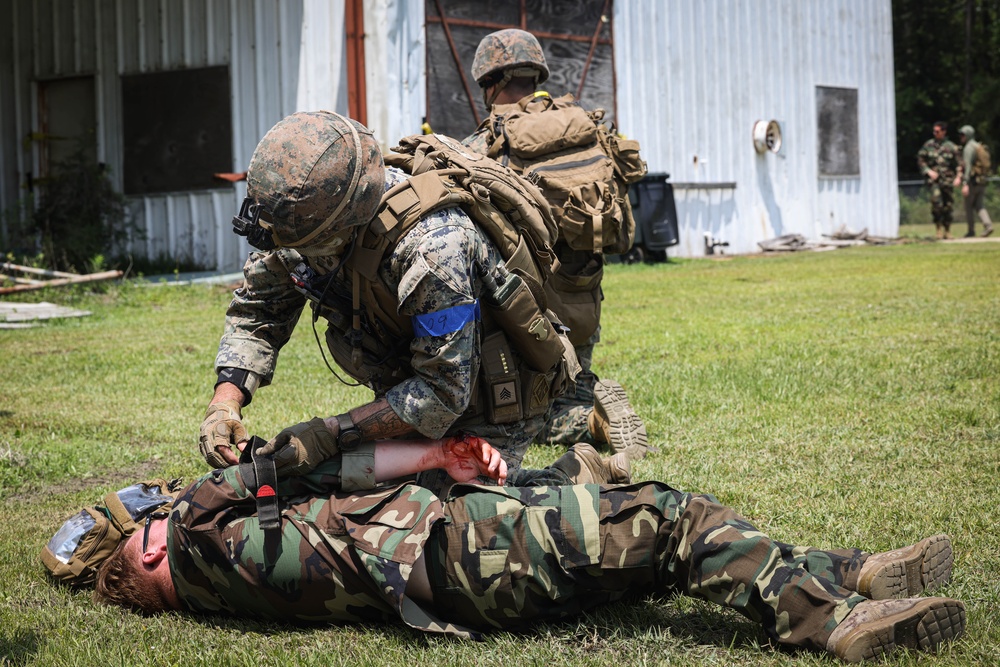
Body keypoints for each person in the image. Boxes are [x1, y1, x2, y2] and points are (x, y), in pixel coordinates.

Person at [89, 435, 965, 663]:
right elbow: (317, 456)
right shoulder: (203, 523)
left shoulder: (222, 589)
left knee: (628, 529)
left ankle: (854, 569)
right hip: (463, 548)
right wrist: (433, 450)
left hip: (462, 581)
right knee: (666, 518)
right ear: (156, 553)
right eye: (146, 530)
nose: (157, 511)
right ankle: (835, 621)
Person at [199, 110, 632, 496]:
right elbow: (259, 312)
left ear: (343, 225)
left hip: (494, 394)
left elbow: (443, 392)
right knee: (332, 482)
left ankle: (578, 473)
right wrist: (225, 403)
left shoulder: (433, 246)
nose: (285, 251)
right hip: (411, 386)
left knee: (447, 516)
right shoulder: (300, 221)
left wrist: (331, 433)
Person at [463, 29, 648, 458]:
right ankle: (593, 399)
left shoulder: (492, 139)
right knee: (574, 380)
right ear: (536, 73)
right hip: (585, 291)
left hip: (531, 306)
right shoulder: (578, 123)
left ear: (490, 81)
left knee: (528, 412)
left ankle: (594, 423)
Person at [917, 121, 963, 240]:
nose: (935, 133)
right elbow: (921, 160)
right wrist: (928, 171)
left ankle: (947, 230)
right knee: (937, 203)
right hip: (935, 182)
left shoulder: (951, 146)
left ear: (944, 132)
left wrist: (958, 177)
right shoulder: (929, 145)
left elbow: (959, 164)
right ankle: (938, 229)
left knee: (948, 206)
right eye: (934, 131)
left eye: (937, 131)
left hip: (947, 180)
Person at [957, 124, 994, 238]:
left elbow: (967, 167)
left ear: (967, 135)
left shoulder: (968, 148)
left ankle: (971, 230)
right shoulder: (978, 146)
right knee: (979, 205)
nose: (961, 137)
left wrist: (965, 183)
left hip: (972, 181)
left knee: (968, 206)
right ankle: (988, 225)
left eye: (962, 134)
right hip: (982, 180)